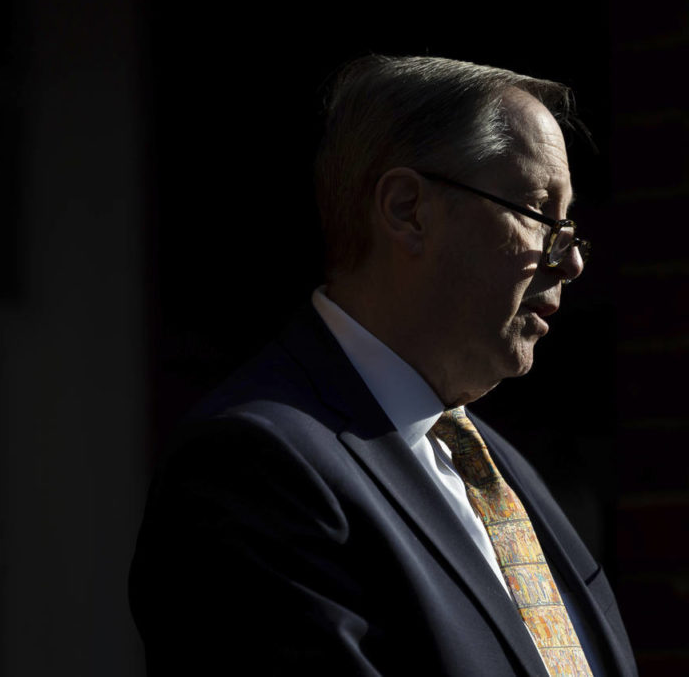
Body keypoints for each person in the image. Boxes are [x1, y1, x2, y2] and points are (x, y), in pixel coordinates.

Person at [129, 55, 637, 676]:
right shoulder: (252, 470)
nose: (571, 261)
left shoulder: (507, 472)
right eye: (538, 212)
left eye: (570, 226)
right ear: (406, 209)